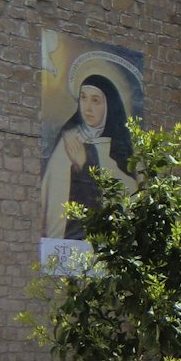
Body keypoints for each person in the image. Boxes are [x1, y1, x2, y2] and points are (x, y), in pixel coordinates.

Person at [40, 73, 136, 239]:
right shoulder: (69, 140)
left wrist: (86, 164)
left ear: (109, 106)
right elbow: (51, 194)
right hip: (64, 245)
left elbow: (132, 194)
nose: (87, 107)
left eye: (95, 100)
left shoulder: (119, 145)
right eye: (83, 98)